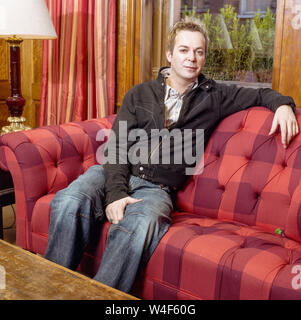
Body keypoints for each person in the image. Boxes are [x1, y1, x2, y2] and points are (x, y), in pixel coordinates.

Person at [44, 19, 299, 293]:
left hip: (157, 190)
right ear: (169, 55)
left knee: (137, 226)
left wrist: (283, 105)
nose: (191, 58)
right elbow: (116, 147)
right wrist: (116, 194)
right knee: (69, 200)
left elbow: (262, 94)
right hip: (113, 174)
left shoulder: (215, 96)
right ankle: (50, 291)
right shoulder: (139, 94)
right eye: (184, 50)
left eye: (199, 52)